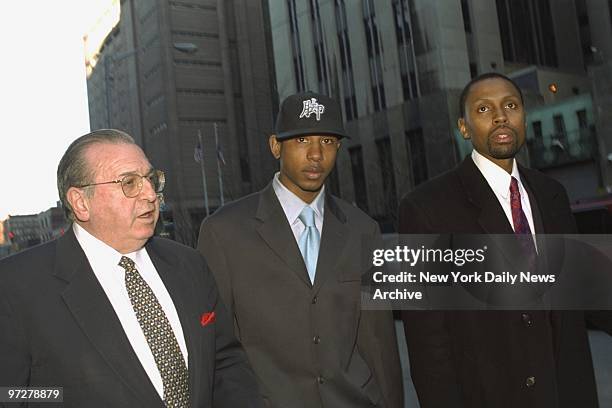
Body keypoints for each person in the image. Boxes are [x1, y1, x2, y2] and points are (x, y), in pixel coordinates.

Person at [0, 129, 263, 408]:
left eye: (150, 180)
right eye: (129, 183)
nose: (151, 194)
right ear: (80, 202)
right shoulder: (15, 287)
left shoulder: (189, 265)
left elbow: (224, 363)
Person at [399, 73, 612, 408]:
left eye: (510, 105)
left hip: (567, 391)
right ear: (464, 127)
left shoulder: (552, 194)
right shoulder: (424, 208)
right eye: (483, 109)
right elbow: (428, 347)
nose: (500, 116)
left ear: (523, 117)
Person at [197, 92, 403, 408]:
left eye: (329, 141)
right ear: (275, 146)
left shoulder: (363, 229)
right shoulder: (224, 231)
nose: (316, 154)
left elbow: (379, 342)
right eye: (302, 139)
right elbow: (216, 346)